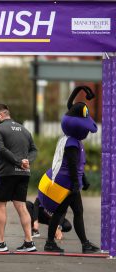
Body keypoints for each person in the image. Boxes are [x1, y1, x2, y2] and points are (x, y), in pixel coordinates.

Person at [38, 86, 100, 253]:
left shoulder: (71, 140)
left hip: (69, 182)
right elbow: (72, 165)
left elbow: (78, 165)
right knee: (64, 212)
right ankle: (52, 243)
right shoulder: (72, 143)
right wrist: (75, 183)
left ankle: (81, 244)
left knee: (72, 212)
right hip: (66, 183)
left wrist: (83, 179)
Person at [0, 103, 37, 252]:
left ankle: (0, 243)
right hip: (24, 173)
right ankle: (29, 243)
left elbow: (0, 149)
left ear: (1, 115)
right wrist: (27, 162)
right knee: (21, 206)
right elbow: (34, 149)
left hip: (6, 174)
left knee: (0, 206)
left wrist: (18, 162)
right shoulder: (24, 129)